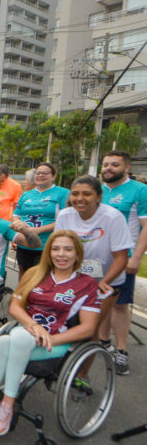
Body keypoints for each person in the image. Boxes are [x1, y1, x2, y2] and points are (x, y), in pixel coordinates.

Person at [0, 231, 100, 435]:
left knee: (7, 342)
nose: (61, 254)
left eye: (68, 249)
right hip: (25, 333)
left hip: (55, 343)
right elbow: (14, 306)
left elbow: (88, 328)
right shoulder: (36, 273)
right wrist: (34, 327)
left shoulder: (86, 285)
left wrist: (50, 337)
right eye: (56, 249)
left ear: (77, 254)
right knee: (14, 339)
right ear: (48, 252)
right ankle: (2, 402)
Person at [54, 175, 132, 373]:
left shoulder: (113, 217)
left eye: (87, 194)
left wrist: (103, 283)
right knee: (64, 322)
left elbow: (122, 257)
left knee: (90, 328)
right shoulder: (65, 215)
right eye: (75, 194)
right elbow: (57, 249)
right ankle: (59, 362)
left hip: (105, 280)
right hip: (74, 278)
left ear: (98, 196)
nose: (80, 198)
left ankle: (81, 375)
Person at [98, 150, 147, 375]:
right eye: (105, 164)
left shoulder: (140, 190)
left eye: (114, 165)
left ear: (127, 167)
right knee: (100, 300)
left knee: (119, 304)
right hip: (97, 257)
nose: (108, 168)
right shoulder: (97, 191)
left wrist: (136, 256)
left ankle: (121, 350)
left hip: (123, 257)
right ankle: (102, 341)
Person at [12, 162, 69, 276]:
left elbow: (65, 220)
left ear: (53, 176)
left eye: (45, 173)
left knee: (42, 277)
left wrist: (38, 230)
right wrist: (18, 224)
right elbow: (15, 214)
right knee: (24, 275)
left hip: (46, 244)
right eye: (38, 173)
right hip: (25, 243)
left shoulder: (63, 193)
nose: (40, 175)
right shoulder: (26, 195)